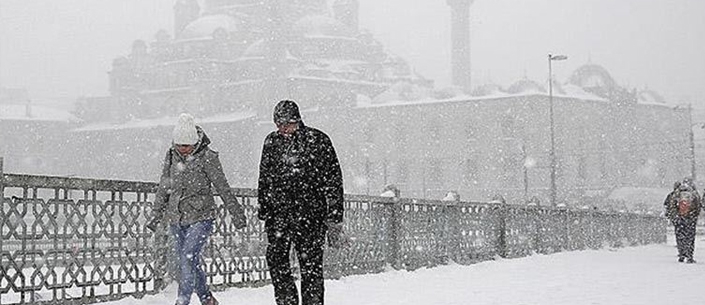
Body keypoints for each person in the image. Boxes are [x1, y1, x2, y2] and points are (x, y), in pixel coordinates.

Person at [146, 113, 247, 305]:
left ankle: (182, 300)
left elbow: (222, 186)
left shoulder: (208, 157)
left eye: (187, 146)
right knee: (190, 261)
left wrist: (237, 213)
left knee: (187, 257)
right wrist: (156, 214)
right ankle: (207, 298)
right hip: (176, 218)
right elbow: (164, 186)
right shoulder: (170, 156)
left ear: (195, 142)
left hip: (201, 217)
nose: (183, 150)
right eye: (179, 146)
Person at [257, 100, 345, 305]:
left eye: (286, 124)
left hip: (311, 216)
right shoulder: (271, 142)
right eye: (278, 124)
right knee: (277, 262)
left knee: (311, 267)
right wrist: (265, 210)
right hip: (279, 215)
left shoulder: (318, 140)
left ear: (297, 120)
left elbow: (333, 180)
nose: (282, 129)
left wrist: (334, 216)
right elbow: (264, 177)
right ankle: (287, 302)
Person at [665, 178, 701, 263]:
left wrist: (675, 217)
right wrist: (693, 216)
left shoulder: (677, 193)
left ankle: (681, 254)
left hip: (679, 219)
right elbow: (698, 206)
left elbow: (671, 205)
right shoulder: (694, 193)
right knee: (690, 237)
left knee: (680, 236)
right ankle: (689, 256)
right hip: (691, 219)